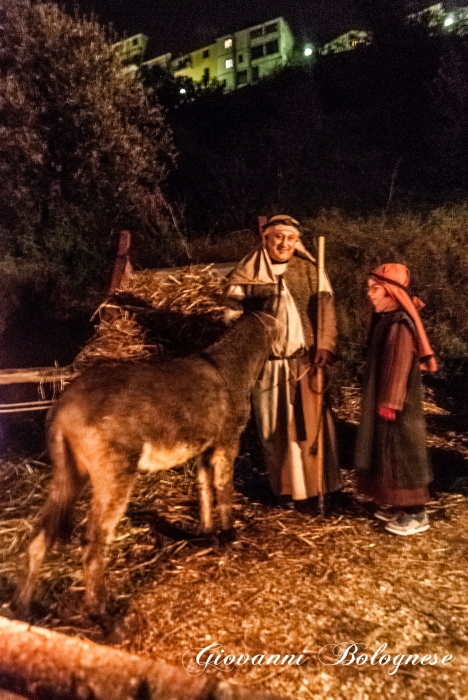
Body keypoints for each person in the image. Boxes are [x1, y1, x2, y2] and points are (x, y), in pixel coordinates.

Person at [225, 214, 341, 508]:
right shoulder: (247, 273)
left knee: (311, 429)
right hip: (267, 367)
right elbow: (231, 317)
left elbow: (326, 313)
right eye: (278, 237)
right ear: (266, 239)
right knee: (275, 432)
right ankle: (286, 490)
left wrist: (325, 347)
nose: (284, 243)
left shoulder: (310, 270)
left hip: (305, 363)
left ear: (297, 241)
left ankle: (319, 489)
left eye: (290, 238)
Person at [354, 263, 438, 535]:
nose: (370, 294)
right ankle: (397, 502)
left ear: (390, 292)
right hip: (387, 399)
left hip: (398, 404)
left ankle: (415, 512)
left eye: (374, 288)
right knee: (387, 451)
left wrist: (391, 401)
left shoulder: (400, 324)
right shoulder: (385, 319)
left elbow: (399, 363)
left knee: (402, 451)